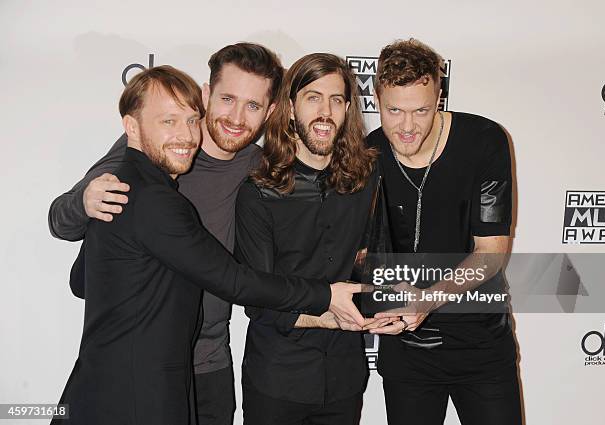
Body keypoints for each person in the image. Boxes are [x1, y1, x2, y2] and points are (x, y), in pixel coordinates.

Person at [51, 65, 366, 425]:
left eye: (189, 121)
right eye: (168, 122)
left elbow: (81, 280)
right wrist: (325, 296)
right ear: (132, 129)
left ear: (271, 112)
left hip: (163, 370)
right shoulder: (143, 194)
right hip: (138, 388)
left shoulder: (251, 167)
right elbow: (233, 280)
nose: (185, 135)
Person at [48, 42, 283, 425]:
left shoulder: (259, 167)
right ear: (206, 95)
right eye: (227, 98)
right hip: (137, 362)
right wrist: (82, 202)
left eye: (253, 105)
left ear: (269, 112)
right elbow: (60, 219)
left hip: (209, 363)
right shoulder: (146, 147)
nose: (237, 117)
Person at [367, 39, 522, 425]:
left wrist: (428, 300)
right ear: (376, 99)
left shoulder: (483, 141)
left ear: (439, 96)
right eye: (394, 110)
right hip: (406, 350)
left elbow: (491, 252)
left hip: (481, 344)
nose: (406, 126)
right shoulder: (366, 155)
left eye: (421, 110)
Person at [235, 53, 391, 425]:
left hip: (345, 380)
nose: (326, 111)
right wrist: (332, 316)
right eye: (313, 97)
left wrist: (398, 305)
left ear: (349, 109)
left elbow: (376, 265)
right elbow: (258, 300)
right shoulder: (258, 193)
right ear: (290, 108)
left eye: (336, 100)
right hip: (277, 381)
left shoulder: (367, 181)